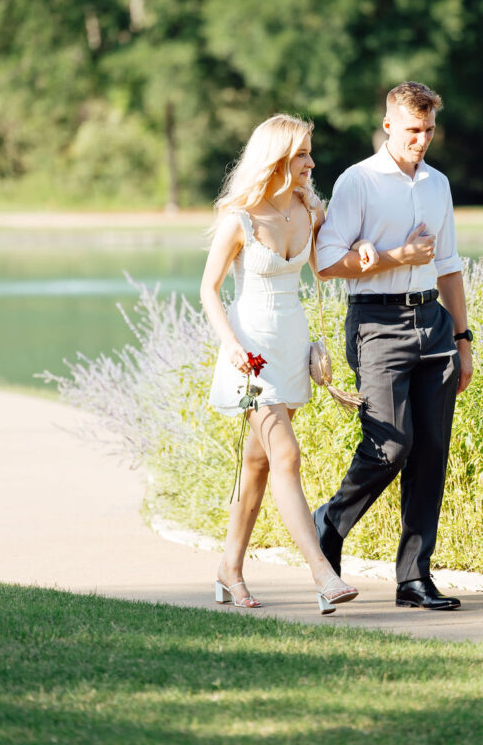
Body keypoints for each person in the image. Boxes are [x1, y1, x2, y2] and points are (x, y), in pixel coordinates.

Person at [314, 81, 473, 611]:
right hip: (376, 324)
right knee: (390, 445)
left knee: (430, 453)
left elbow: (448, 266)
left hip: (433, 321)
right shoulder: (357, 181)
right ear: (388, 126)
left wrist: (463, 340)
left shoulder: (438, 183)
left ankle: (413, 579)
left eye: (428, 129)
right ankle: (329, 523)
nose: (421, 139)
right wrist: (394, 257)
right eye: (412, 129)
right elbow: (327, 262)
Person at [200, 114, 359, 615]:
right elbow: (208, 289)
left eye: (310, 153)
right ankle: (323, 574)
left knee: (258, 463)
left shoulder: (309, 210)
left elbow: (326, 268)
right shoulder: (240, 218)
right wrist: (229, 346)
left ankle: (229, 569)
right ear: (276, 158)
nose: (311, 163)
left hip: (291, 349)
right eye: (301, 155)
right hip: (249, 357)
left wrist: (368, 254)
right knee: (285, 455)